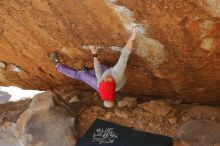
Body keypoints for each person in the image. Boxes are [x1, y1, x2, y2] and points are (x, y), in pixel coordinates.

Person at [51, 27, 137, 108]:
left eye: (104, 80)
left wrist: (94, 53)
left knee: (81, 74)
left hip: (102, 83)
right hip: (113, 75)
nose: (105, 79)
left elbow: (98, 70)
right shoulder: (117, 73)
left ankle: (58, 66)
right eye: (107, 81)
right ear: (113, 83)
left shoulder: (100, 83)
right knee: (102, 66)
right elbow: (124, 54)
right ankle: (88, 71)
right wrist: (132, 36)